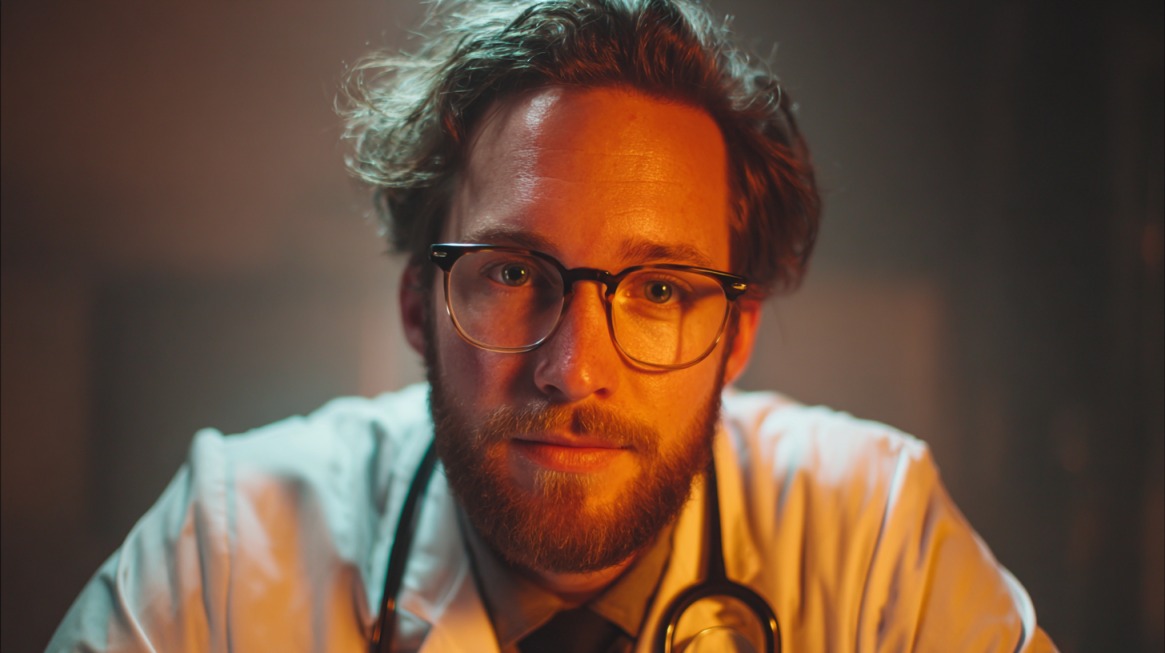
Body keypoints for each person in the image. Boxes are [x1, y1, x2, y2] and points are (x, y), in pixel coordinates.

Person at [49, 0, 1058, 651]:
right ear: (417, 306)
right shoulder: (231, 549)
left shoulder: (877, 540)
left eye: (659, 289)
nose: (574, 370)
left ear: (735, 335)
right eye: (515, 273)